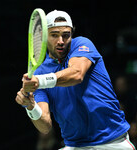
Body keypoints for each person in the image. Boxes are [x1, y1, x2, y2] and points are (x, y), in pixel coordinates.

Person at [15, 10, 136, 150]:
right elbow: (45, 126)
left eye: (66, 35)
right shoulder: (40, 72)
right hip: (75, 145)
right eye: (54, 35)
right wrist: (30, 106)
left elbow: (77, 74)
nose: (61, 41)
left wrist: (39, 81)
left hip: (112, 142)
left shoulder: (82, 44)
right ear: (43, 36)